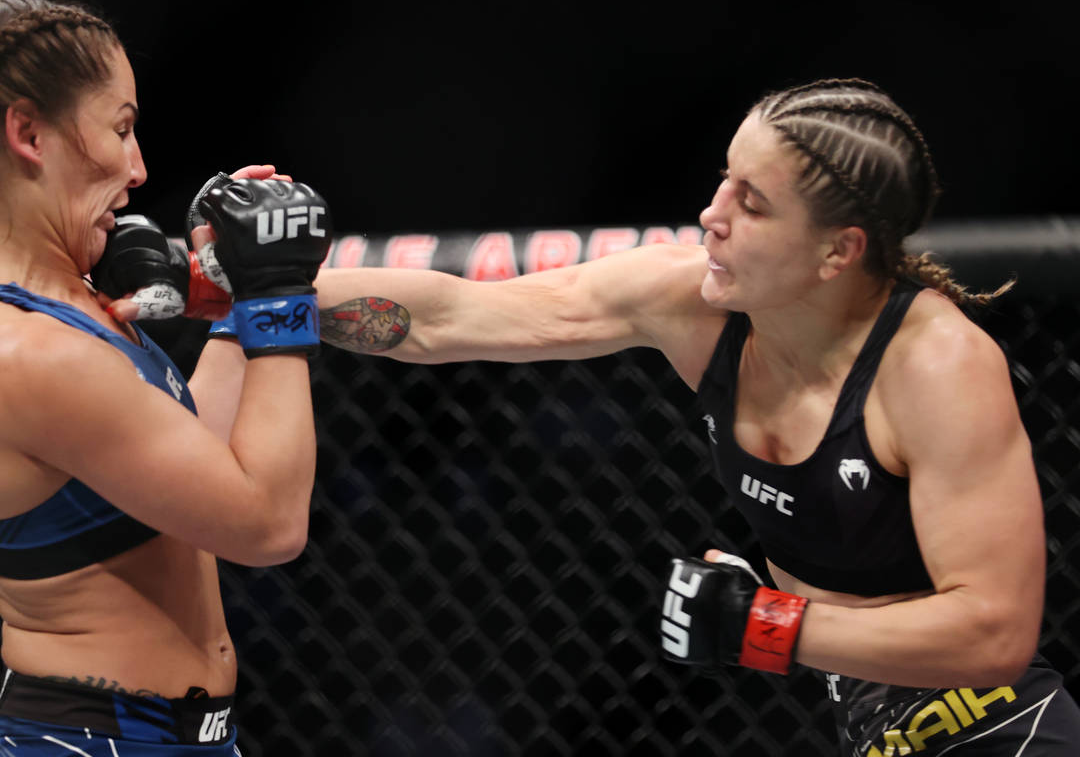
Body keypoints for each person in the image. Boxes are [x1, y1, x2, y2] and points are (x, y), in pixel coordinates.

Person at [307, 79, 1080, 754]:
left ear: (836, 252)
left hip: (997, 732)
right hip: (868, 723)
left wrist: (767, 625)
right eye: (723, 182)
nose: (711, 216)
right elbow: (455, 316)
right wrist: (264, 292)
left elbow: (994, 635)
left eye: (752, 204)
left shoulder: (935, 364)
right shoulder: (693, 303)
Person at [0, 0, 331, 755]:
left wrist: (241, 302)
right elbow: (267, 524)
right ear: (29, 132)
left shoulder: (65, 302)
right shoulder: (20, 350)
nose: (138, 169)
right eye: (121, 128)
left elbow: (189, 470)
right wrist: (277, 298)